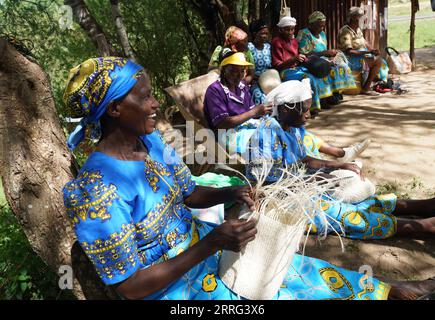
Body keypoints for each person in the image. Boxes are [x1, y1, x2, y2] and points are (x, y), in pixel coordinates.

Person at [62, 57, 435, 300]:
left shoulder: (152, 143)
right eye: (144, 98)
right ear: (113, 108)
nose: (156, 104)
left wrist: (229, 195)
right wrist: (210, 247)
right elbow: (130, 287)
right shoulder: (95, 190)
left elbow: (189, 194)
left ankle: (389, 293)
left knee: (296, 269)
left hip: (203, 249)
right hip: (176, 291)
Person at [248, 79, 435, 241]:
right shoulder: (266, 134)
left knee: (357, 199)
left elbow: (304, 159)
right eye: (304, 110)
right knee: (344, 214)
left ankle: (417, 206)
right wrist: (313, 180)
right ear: (286, 107)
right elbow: (266, 186)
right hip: (278, 202)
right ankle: (423, 226)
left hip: (299, 187)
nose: (309, 114)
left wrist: (339, 165)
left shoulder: (291, 127)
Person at [203, 51, 273, 155]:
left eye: (242, 71)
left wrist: (264, 112)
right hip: (229, 135)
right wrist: (254, 112)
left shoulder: (242, 86)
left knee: (274, 127)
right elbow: (221, 124)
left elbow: (252, 112)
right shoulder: (215, 90)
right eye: (234, 71)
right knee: (263, 139)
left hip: (247, 126)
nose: (239, 75)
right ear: (224, 70)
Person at [297, 11, 356, 107]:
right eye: (318, 26)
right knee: (323, 69)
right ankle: (323, 98)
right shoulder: (304, 34)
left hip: (322, 59)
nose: (321, 28)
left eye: (323, 26)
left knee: (341, 66)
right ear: (311, 24)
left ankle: (333, 94)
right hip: (310, 62)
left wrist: (331, 55)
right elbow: (304, 54)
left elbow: (324, 51)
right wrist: (324, 53)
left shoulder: (322, 34)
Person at [271, 16, 325, 116]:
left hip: (296, 68)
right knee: (308, 78)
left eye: (292, 29)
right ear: (281, 30)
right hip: (284, 71)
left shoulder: (294, 41)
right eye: (287, 29)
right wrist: (294, 59)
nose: (290, 32)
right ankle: (308, 109)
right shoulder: (277, 42)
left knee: (314, 74)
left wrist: (302, 59)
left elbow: (297, 59)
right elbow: (277, 65)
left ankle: (317, 104)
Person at [337, 7, 389, 96]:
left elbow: (364, 42)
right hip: (350, 58)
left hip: (360, 55)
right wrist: (367, 53)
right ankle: (366, 88)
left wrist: (372, 50)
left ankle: (372, 85)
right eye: (360, 16)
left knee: (381, 61)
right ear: (353, 18)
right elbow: (349, 51)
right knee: (378, 61)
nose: (362, 19)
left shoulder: (357, 29)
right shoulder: (346, 31)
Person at [247, 19, 273, 105]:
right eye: (262, 33)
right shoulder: (249, 47)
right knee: (258, 94)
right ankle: (262, 116)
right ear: (255, 34)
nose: (265, 36)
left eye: (266, 33)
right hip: (255, 81)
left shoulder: (268, 47)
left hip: (269, 80)